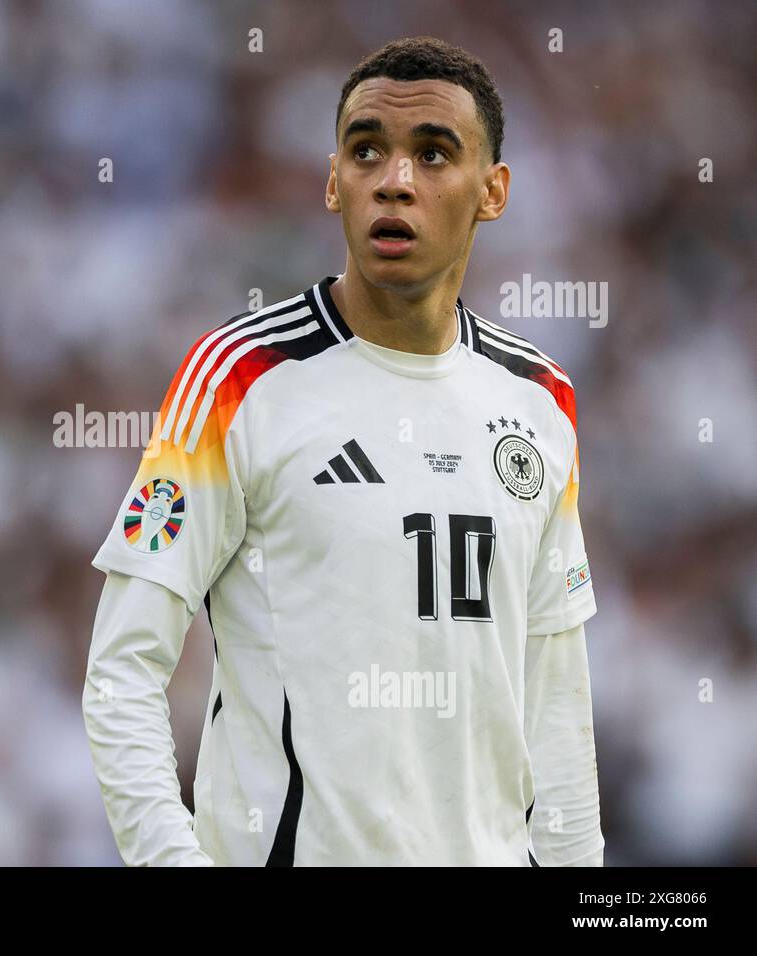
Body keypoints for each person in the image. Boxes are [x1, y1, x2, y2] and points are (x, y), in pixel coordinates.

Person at [83, 36, 603, 866]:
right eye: (367, 151)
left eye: (434, 154)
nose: (394, 179)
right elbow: (123, 672)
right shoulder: (238, 377)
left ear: (493, 191)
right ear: (334, 182)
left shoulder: (539, 400)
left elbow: (557, 702)